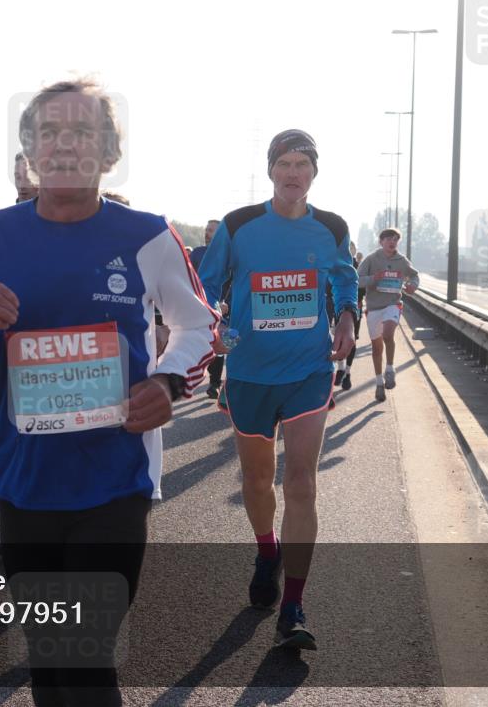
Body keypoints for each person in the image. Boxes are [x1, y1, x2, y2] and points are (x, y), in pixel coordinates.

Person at [0, 78, 217, 706]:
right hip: (25, 482)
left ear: (108, 153)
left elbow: (201, 325)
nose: (65, 145)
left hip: (115, 481)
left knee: (86, 664)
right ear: (30, 150)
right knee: (48, 666)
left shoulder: (146, 234)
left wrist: (169, 383)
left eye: (82, 132)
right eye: (50, 133)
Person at [198, 129, 358, 650]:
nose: (293, 173)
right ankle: (267, 549)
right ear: (271, 171)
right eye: (284, 164)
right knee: (257, 479)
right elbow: (205, 285)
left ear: (314, 172)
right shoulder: (238, 225)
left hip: (309, 370)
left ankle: (293, 605)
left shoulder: (330, 228)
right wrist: (212, 325)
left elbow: (344, 278)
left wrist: (348, 317)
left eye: (302, 165)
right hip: (248, 371)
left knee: (302, 484)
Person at [358, 228, 419, 402]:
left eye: (395, 240)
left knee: (388, 333)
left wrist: (412, 285)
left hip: (393, 304)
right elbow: (357, 280)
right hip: (374, 307)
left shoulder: (402, 261)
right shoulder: (371, 259)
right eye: (388, 239)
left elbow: (414, 276)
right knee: (377, 347)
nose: (392, 243)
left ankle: (390, 369)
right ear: (381, 241)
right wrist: (373, 279)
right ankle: (379, 383)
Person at [190, 219, 227, 398]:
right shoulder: (197, 253)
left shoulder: (229, 254)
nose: (207, 233)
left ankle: (215, 383)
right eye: (206, 229)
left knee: (225, 344)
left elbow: (233, 283)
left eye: (212, 230)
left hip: (223, 309)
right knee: (205, 345)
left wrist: (224, 304)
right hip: (198, 308)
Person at [333, 241, 364, 391]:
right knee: (337, 338)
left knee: (352, 340)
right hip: (336, 305)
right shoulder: (333, 263)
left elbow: (362, 286)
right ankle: (340, 368)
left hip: (354, 307)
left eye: (350, 249)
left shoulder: (358, 266)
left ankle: (347, 372)